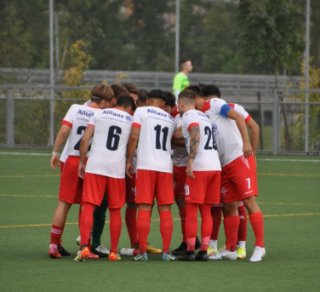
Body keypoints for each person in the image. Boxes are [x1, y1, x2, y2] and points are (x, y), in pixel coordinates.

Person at [195, 84, 265, 262]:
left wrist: (247, 145)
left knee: (249, 202)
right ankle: (230, 248)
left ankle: (260, 246)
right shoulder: (199, 115)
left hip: (238, 158)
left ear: (197, 98)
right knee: (229, 206)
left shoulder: (215, 103)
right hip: (223, 165)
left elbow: (240, 119)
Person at [48, 83, 114, 259]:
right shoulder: (103, 114)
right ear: (106, 101)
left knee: (64, 203)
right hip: (90, 162)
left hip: (70, 159)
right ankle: (86, 246)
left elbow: (63, 132)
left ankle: (54, 244)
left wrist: (55, 152)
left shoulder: (76, 108)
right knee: (88, 205)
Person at [74, 95, 135, 262]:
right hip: (116, 168)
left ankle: (84, 248)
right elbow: (133, 141)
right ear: (129, 107)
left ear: (116, 103)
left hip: (95, 165)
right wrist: (129, 161)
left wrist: (81, 161)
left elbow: (85, 139)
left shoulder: (99, 114)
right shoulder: (130, 119)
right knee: (115, 210)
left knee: (88, 206)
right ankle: (114, 252)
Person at [126, 90, 177, 261]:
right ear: (163, 103)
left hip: (146, 166)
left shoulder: (141, 111)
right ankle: (166, 252)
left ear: (148, 100)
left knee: (144, 208)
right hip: (165, 167)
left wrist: (128, 159)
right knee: (165, 209)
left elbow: (134, 136)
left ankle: (142, 251)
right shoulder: (170, 119)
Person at [177, 89, 221, 261]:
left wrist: (190, 162)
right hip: (214, 166)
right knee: (207, 210)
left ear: (181, 104)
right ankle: (203, 250)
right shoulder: (204, 116)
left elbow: (195, 133)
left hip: (199, 167)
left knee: (191, 210)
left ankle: (189, 250)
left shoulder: (188, 115)